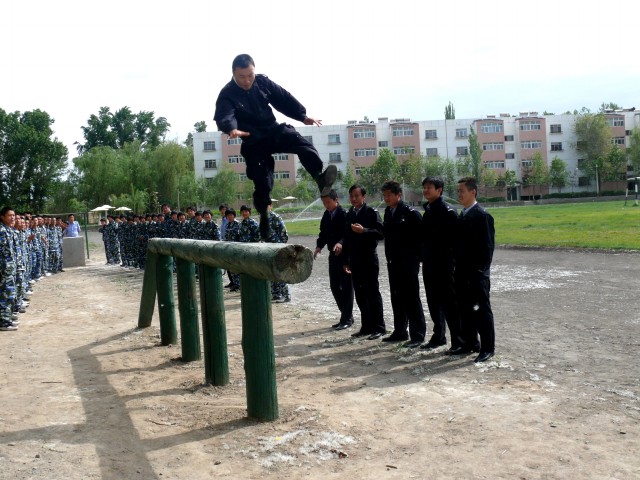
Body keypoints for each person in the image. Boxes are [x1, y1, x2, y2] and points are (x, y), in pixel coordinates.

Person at [214, 53, 338, 240]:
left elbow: (283, 98)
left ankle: (319, 178)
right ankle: (264, 215)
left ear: (254, 71)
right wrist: (231, 128)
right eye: (242, 77)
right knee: (263, 182)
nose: (247, 81)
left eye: (250, 75)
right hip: (254, 141)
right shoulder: (227, 94)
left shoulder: (262, 82)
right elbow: (225, 115)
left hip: (272, 131)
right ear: (233, 74)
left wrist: (302, 116)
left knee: (302, 143)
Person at [420, 176, 465, 353]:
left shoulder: (448, 211)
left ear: (440, 190)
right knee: (433, 302)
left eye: (429, 187)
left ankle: (459, 341)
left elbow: (455, 242)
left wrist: (452, 265)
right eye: (424, 187)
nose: (425, 191)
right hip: (430, 264)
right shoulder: (429, 210)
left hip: (444, 265)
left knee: (450, 305)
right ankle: (438, 336)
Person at [380, 181, 426, 348]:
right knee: (397, 298)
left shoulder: (410, 213)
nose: (386, 198)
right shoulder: (388, 212)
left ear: (398, 195)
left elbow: (421, 238)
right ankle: (400, 331)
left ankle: (418, 335)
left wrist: (416, 260)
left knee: (411, 299)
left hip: (408, 263)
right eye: (384, 195)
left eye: (389, 195)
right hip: (393, 262)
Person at [455, 177, 496, 363]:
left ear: (473, 192)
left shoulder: (482, 216)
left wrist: (479, 272)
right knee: (465, 310)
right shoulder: (462, 215)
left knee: (481, 311)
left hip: (476, 275)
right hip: (462, 273)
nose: (459, 195)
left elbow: (487, 249)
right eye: (458, 191)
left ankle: (488, 348)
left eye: (462, 191)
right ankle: (470, 343)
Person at [341, 185, 386, 340]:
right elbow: (347, 238)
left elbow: (380, 234)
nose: (353, 199)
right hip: (355, 259)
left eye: (356, 196)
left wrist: (364, 230)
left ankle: (379, 327)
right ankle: (366, 326)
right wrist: (346, 260)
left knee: (373, 293)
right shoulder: (350, 214)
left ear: (363, 197)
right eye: (351, 196)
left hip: (368, 259)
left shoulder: (371, 213)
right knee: (360, 294)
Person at [314, 189, 354, 330]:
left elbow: (348, 234)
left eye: (328, 202)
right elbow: (323, 233)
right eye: (324, 203)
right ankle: (346, 315)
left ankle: (347, 318)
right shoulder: (326, 215)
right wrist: (319, 246)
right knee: (334, 286)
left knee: (347, 287)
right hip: (333, 255)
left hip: (345, 255)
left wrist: (341, 243)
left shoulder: (344, 214)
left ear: (336, 199)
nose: (326, 205)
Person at [264, 201, 290, 303]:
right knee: (271, 272)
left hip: (278, 249)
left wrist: (280, 246)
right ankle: (276, 294)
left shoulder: (276, 217)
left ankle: (286, 295)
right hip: (267, 249)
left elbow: (284, 233)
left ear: (270, 206)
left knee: (280, 272)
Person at [0, 207, 18, 331]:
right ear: (2, 217)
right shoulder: (1, 231)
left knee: (11, 293)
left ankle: (8, 318)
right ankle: (4, 322)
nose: (12, 217)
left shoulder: (9, 230)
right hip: (4, 270)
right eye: (9, 215)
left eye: (13, 215)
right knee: (5, 295)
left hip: (10, 269)